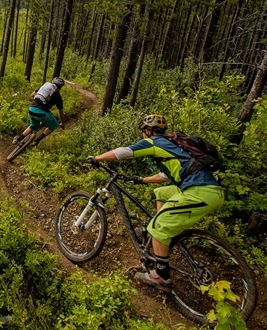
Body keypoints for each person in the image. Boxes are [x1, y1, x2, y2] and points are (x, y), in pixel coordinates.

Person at [88, 114, 224, 292]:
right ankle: (160, 233)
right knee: (160, 192)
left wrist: (97, 158)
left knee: (158, 226)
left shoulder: (154, 143)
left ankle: (161, 276)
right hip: (207, 190)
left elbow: (124, 152)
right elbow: (165, 176)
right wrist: (141, 180)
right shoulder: (172, 145)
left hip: (200, 192)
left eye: (143, 131)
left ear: (147, 130)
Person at [12, 77, 67, 146]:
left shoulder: (44, 88)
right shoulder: (58, 96)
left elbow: (32, 94)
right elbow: (61, 113)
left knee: (33, 125)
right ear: (60, 87)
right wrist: (62, 123)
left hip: (31, 109)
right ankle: (36, 141)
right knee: (54, 125)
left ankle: (18, 139)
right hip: (42, 113)